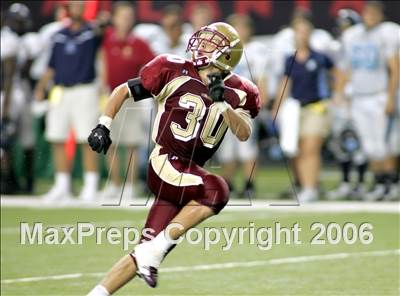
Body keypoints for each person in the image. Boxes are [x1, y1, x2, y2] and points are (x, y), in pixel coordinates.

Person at [86, 22, 260, 295]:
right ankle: (154, 251)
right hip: (165, 161)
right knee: (217, 190)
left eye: (210, 44)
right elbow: (124, 90)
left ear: (227, 55)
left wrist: (223, 104)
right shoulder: (173, 69)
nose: (201, 46)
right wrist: (103, 124)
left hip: (188, 173)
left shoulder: (241, 91)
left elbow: (244, 132)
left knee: (144, 251)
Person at [34, 1, 105, 202]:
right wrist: (40, 87)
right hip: (61, 90)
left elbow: (101, 35)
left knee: (87, 139)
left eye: (80, 5)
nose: (77, 9)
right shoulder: (59, 35)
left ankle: (90, 185)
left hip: (85, 89)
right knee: (57, 137)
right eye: (73, 5)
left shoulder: (92, 32)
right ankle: (61, 185)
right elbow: (52, 65)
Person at [336, 1, 399, 200]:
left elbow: (395, 69)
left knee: (384, 144)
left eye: (374, 13)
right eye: (367, 12)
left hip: (379, 95)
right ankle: (380, 184)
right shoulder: (352, 36)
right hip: (359, 97)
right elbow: (346, 69)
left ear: (381, 16)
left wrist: (390, 97)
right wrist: (340, 93)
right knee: (369, 145)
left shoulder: (386, 34)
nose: (370, 16)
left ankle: (392, 184)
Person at [272, 18, 334, 202]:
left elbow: (337, 73)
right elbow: (286, 83)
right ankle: (305, 185)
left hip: (317, 107)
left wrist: (337, 94)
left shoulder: (320, 57)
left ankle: (311, 187)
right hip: (295, 108)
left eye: (305, 31)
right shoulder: (290, 59)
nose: (302, 35)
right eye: (299, 31)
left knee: (311, 148)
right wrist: (277, 108)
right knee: (297, 149)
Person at [100, 1, 155, 201]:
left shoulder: (139, 43)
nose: (126, 20)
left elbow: (153, 68)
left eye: (129, 16)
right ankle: (114, 184)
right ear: (114, 18)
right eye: (122, 16)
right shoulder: (106, 39)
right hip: (110, 96)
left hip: (132, 97)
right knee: (110, 141)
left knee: (132, 142)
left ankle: (130, 186)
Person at [218, 13, 268, 197]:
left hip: (245, 105)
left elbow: (262, 79)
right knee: (226, 148)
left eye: (242, 27)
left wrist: (259, 102)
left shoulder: (255, 50)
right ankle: (228, 183)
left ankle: (249, 184)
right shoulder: (221, 51)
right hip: (223, 104)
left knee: (247, 147)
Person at [327, 9, 369, 200]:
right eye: (343, 26)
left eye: (348, 25)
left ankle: (360, 183)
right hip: (341, 98)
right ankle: (345, 182)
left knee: (361, 142)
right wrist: (336, 93)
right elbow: (334, 73)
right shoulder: (337, 47)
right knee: (340, 144)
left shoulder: (364, 44)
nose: (345, 30)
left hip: (360, 96)